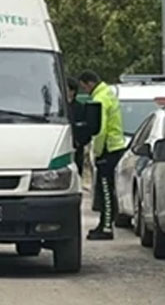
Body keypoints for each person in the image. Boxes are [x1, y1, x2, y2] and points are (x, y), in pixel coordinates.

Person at [78, 70, 126, 240]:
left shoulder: (100, 99)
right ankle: (103, 224)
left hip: (108, 148)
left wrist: (97, 151)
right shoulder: (108, 93)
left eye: (84, 87)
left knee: (105, 189)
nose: (84, 91)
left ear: (89, 83)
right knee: (105, 187)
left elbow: (100, 129)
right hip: (116, 146)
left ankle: (106, 228)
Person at [65, 77, 89, 174]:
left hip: (76, 148)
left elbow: (85, 127)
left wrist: (79, 142)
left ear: (73, 91)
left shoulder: (80, 108)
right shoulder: (58, 108)